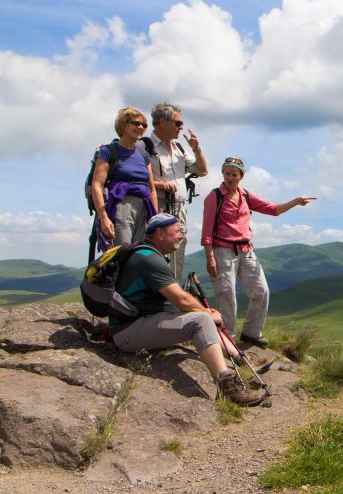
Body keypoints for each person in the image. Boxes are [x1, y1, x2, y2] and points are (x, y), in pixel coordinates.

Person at [110, 213, 267, 406]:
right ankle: (227, 386)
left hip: (139, 323)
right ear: (160, 233)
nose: (181, 236)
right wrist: (207, 312)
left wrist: (202, 311)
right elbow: (181, 299)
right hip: (129, 331)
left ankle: (239, 358)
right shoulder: (149, 259)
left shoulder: (147, 254)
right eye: (177, 231)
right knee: (201, 320)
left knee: (201, 316)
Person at [201, 157, 316, 348]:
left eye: (234, 174)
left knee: (261, 291)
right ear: (222, 174)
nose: (230, 178)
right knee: (226, 294)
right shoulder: (214, 196)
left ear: (241, 176)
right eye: (227, 173)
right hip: (222, 249)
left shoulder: (245, 195)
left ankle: (251, 333)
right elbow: (207, 230)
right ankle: (228, 337)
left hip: (246, 249)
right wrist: (209, 256)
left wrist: (296, 201)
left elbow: (273, 209)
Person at [137, 101, 209, 282]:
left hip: (179, 209)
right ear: (161, 121)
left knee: (177, 254)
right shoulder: (145, 146)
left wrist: (196, 148)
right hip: (157, 206)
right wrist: (160, 185)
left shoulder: (179, 148)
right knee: (155, 254)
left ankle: (172, 298)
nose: (181, 127)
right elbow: (135, 179)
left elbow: (202, 170)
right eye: (177, 123)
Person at [91, 106, 159, 252]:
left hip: (144, 208)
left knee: (141, 254)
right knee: (122, 253)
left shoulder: (144, 154)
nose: (141, 127)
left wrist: (155, 219)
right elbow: (97, 184)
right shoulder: (108, 151)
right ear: (123, 124)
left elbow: (151, 188)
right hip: (121, 206)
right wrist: (104, 218)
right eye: (136, 123)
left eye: (144, 125)